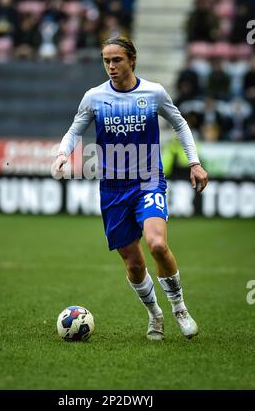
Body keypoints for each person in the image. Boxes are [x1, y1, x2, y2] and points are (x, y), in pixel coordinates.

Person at [53, 36, 208, 341]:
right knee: (134, 264)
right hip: (112, 189)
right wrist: (62, 153)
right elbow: (75, 129)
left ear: (132, 60)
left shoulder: (153, 93)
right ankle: (155, 315)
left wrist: (194, 162)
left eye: (117, 60)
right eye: (106, 60)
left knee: (157, 245)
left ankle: (179, 308)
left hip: (148, 180)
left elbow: (180, 124)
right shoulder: (94, 97)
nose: (111, 66)